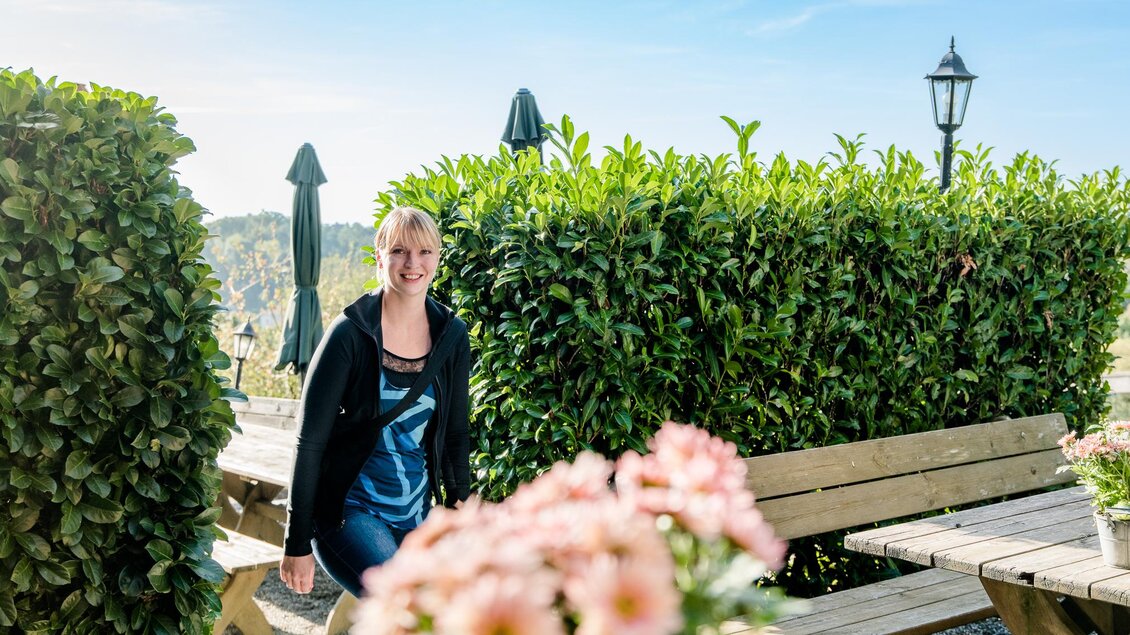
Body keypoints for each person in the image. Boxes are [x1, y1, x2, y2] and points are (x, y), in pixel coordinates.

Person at [279, 206, 472, 597]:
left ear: (438, 258)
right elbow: (309, 442)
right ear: (380, 255)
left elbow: (454, 435)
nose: (412, 263)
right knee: (408, 607)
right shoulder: (350, 334)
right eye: (399, 250)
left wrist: (460, 507)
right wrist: (296, 542)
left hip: (416, 513)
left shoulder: (451, 337)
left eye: (425, 252)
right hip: (351, 511)